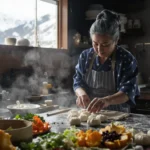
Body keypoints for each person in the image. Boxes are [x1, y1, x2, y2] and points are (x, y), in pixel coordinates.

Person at [73, 9, 139, 113]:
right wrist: (82, 94)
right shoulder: (85, 56)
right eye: (95, 43)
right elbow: (78, 82)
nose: (99, 49)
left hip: (118, 115)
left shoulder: (125, 58)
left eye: (105, 44)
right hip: (90, 113)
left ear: (116, 41)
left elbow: (128, 91)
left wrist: (107, 100)